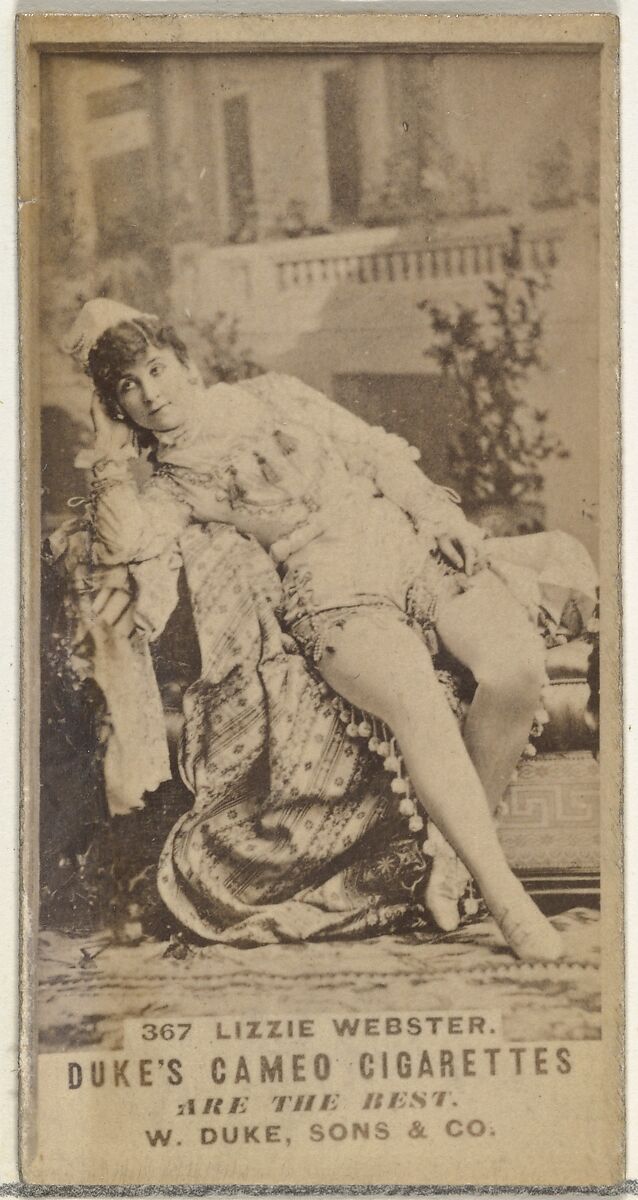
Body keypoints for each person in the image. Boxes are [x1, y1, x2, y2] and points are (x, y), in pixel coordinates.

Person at [65, 298, 597, 961]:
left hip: (404, 546)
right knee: (416, 703)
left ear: (185, 364)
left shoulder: (274, 394)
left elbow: (373, 453)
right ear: (118, 407)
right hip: (332, 593)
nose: (151, 394)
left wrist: (439, 517)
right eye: (127, 388)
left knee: (514, 668)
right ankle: (504, 896)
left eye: (155, 369)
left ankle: (452, 864)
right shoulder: (170, 489)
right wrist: (108, 452)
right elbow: (123, 542)